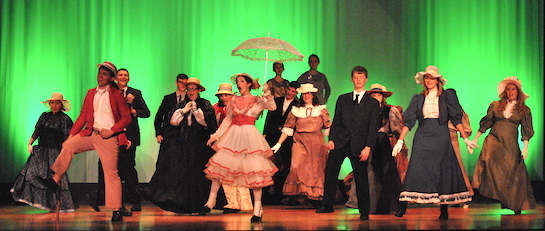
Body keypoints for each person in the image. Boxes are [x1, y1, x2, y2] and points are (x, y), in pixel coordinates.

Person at [36, 61, 132, 221]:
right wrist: (72, 135)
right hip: (90, 133)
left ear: (111, 78)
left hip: (107, 136)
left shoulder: (116, 95)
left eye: (105, 74)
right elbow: (82, 116)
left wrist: (113, 130)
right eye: (100, 73)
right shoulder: (91, 93)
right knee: (68, 146)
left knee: (111, 174)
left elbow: (126, 117)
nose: (100, 76)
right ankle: (55, 179)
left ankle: (116, 210)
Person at [391, 65, 478, 220]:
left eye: (432, 78)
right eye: (427, 77)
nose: (429, 80)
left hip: (441, 134)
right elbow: (409, 121)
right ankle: (402, 206)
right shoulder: (418, 98)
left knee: (442, 171)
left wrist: (465, 138)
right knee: (415, 168)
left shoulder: (447, 96)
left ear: (438, 80)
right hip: (423, 134)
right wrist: (400, 139)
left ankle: (444, 210)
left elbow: (456, 118)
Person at [202, 73, 278, 222]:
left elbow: (273, 107)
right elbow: (228, 120)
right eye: (238, 82)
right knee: (220, 167)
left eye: (242, 81)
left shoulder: (257, 100)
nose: (239, 84)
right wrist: (216, 136)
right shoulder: (233, 101)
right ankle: (211, 201)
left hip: (250, 138)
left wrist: (267, 93)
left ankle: (257, 209)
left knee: (255, 172)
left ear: (249, 84)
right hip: (234, 137)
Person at [139, 77, 217, 214]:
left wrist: (197, 112)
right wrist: (184, 111)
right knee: (182, 174)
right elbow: (173, 121)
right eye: (189, 89)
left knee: (197, 174)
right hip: (183, 144)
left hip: (199, 145)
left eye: (194, 88)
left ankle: (199, 204)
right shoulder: (181, 105)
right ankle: (183, 204)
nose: (191, 91)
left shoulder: (205, 104)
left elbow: (208, 124)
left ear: (199, 90)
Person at [316, 66, 381, 221]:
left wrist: (368, 147)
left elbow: (373, 128)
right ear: (352, 79)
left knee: (361, 178)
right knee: (331, 173)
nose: (358, 80)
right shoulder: (343, 99)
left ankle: (364, 211)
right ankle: (327, 205)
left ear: (366, 79)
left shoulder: (372, 103)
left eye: (361, 77)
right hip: (340, 142)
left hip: (359, 145)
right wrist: (331, 139)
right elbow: (336, 121)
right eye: (356, 77)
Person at [471, 76, 536, 214]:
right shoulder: (495, 105)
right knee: (487, 160)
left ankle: (514, 204)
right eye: (508, 89)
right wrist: (475, 139)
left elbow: (526, 130)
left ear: (518, 91)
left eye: (513, 89)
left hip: (510, 144)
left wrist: (525, 148)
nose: (510, 92)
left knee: (513, 172)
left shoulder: (524, 110)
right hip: (494, 140)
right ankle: (480, 188)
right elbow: (486, 123)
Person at [92, 68, 150, 214]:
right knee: (109, 168)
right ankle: (108, 200)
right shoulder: (109, 91)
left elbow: (146, 112)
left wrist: (133, 110)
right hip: (112, 135)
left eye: (125, 75)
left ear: (128, 78)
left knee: (129, 169)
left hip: (129, 136)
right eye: (120, 75)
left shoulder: (135, 93)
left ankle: (135, 200)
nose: (123, 77)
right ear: (116, 78)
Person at [11, 92, 76, 212]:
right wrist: (30, 143)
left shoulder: (65, 119)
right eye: (52, 103)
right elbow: (38, 131)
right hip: (42, 150)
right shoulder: (44, 116)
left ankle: (56, 204)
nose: (54, 105)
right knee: (31, 172)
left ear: (61, 104)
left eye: (56, 103)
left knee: (53, 177)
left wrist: (64, 153)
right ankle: (25, 196)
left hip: (55, 151)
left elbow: (67, 138)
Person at [270, 83, 331, 207]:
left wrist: (331, 141)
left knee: (315, 170)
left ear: (313, 95)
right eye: (304, 93)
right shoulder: (296, 110)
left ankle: (314, 197)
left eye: (309, 93)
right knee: (296, 167)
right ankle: (297, 195)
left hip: (316, 143)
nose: (306, 96)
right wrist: (278, 144)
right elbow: (288, 128)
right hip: (300, 141)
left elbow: (328, 127)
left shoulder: (321, 110)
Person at [212, 82, 253, 213]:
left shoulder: (237, 106)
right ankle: (232, 203)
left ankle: (243, 203)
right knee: (225, 174)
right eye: (222, 95)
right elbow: (220, 124)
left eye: (226, 95)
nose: (224, 98)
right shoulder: (216, 108)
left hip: (238, 141)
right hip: (224, 143)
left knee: (240, 172)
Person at [262, 81, 300, 205]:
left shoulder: (298, 105)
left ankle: (281, 193)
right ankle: (266, 192)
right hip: (272, 135)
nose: (290, 93)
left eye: (293, 91)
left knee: (286, 165)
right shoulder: (277, 100)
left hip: (288, 138)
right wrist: (265, 133)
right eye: (289, 90)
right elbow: (269, 117)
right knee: (269, 162)